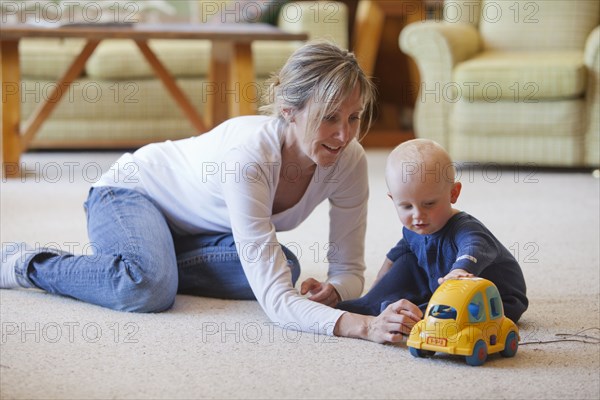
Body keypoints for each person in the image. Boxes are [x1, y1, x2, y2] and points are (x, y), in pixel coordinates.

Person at [0, 41, 421, 344]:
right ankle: (24, 263)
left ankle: (155, 259)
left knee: (284, 267)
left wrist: (337, 292)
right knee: (146, 288)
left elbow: (348, 268)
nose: (345, 134)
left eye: (354, 117)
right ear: (288, 110)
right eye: (330, 118)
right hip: (130, 194)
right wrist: (361, 326)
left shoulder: (349, 160)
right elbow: (276, 305)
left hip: (196, 231)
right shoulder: (249, 156)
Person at [337, 139, 528, 323]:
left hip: (497, 299)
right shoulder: (414, 228)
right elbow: (395, 257)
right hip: (442, 288)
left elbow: (474, 248)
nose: (418, 215)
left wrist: (459, 271)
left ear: (453, 193)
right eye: (406, 206)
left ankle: (417, 315)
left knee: (442, 311)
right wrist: (377, 289)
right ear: (393, 199)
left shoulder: (466, 230)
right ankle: (370, 305)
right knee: (406, 258)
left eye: (429, 204)